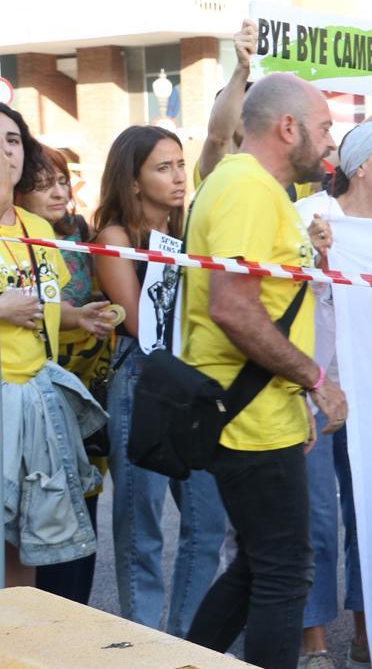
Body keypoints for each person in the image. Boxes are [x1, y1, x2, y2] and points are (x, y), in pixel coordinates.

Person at [181, 73, 348, 669]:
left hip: (259, 411)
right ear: (288, 126)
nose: (331, 142)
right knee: (284, 571)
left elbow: (268, 303)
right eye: (324, 127)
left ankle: (183, 659)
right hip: (245, 415)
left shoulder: (255, 189)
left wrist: (296, 398)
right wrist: (316, 382)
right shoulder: (247, 189)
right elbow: (231, 306)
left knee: (259, 564)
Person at [91, 126, 228, 636]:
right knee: (140, 523)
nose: (177, 178)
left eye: (178, 165)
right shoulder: (114, 237)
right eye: (162, 167)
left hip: (190, 378)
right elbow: (136, 323)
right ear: (132, 179)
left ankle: (187, 637)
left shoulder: (189, 230)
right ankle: (145, 638)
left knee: (206, 522)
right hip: (141, 380)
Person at [292, 121, 372, 669]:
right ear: (360, 165)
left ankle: (370, 636)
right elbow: (284, 292)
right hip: (315, 391)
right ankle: (314, 645)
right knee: (316, 521)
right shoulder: (309, 217)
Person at [0, 103, 113, 588]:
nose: (5, 151)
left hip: (33, 402)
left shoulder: (37, 229)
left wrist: (77, 317)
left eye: (12, 140)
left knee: (28, 542)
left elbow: (43, 309)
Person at [196, 18, 372, 196]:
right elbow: (218, 136)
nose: (250, 116)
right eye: (241, 109)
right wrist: (242, 69)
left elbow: (356, 145)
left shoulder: (294, 177)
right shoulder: (217, 169)